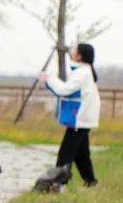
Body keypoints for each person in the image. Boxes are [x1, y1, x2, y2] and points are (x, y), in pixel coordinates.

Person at [40, 43, 100, 186]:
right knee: (81, 154)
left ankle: (58, 184)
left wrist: (49, 78)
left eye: (75, 50)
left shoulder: (81, 72)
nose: (72, 51)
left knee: (65, 154)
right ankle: (90, 182)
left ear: (80, 56)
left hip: (79, 118)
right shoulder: (85, 71)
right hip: (83, 118)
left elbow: (64, 90)